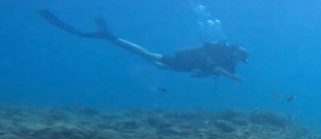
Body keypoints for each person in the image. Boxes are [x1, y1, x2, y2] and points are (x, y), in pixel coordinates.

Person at [39, 10, 248, 81]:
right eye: (241, 55)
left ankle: (110, 37)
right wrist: (231, 77)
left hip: (184, 66)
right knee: (150, 57)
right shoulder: (224, 54)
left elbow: (213, 71)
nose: (240, 58)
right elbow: (218, 69)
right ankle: (111, 38)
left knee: (153, 60)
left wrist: (221, 74)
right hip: (182, 62)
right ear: (237, 52)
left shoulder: (229, 60)